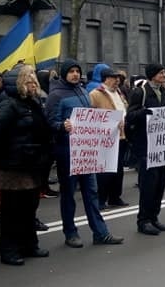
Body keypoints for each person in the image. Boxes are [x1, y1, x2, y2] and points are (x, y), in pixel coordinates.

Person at [47, 58, 124, 247]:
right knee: (69, 194)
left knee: (92, 192)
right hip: (68, 152)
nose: (75, 74)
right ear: (65, 73)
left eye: (77, 71)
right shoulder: (56, 95)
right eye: (71, 71)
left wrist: (114, 124)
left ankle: (100, 233)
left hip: (87, 152)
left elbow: (94, 119)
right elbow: (49, 122)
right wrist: (61, 126)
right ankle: (70, 233)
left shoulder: (83, 91)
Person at [0, 65, 54, 264]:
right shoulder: (9, 105)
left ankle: (29, 245)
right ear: (18, 83)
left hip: (31, 164)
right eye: (28, 79)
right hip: (13, 167)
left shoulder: (32, 103)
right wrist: (6, 157)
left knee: (29, 207)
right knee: (11, 210)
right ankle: (9, 251)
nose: (33, 83)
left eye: (34, 79)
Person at [127, 63, 165, 235]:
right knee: (148, 185)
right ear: (152, 75)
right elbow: (130, 115)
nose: (164, 75)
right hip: (146, 146)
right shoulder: (141, 92)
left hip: (160, 146)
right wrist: (144, 113)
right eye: (161, 72)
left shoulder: (162, 90)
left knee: (160, 183)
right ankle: (143, 220)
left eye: (164, 72)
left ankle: (154, 217)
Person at [89, 67, 130, 208]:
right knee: (105, 171)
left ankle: (115, 196)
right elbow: (91, 116)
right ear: (106, 79)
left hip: (121, 136)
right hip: (105, 138)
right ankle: (101, 199)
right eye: (114, 78)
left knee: (118, 170)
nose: (117, 81)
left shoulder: (118, 92)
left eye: (118, 78)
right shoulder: (95, 94)